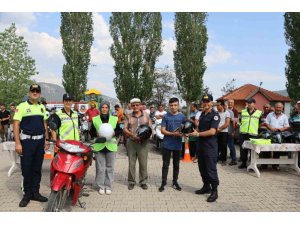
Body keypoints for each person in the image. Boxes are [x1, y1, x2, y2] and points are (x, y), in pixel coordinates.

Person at [13, 84, 50, 207]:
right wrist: (17, 143)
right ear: (29, 92)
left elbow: (44, 123)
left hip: (40, 142)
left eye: (37, 91)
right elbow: (16, 124)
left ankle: (35, 193)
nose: (35, 92)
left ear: (39, 93)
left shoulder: (41, 107)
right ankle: (27, 194)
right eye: (32, 90)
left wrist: (46, 139)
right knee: (27, 168)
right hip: (27, 142)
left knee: (37, 169)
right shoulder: (22, 106)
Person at [189, 94, 220, 202]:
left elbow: (212, 131)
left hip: (210, 147)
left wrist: (198, 134)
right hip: (200, 146)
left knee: (211, 169)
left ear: (211, 103)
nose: (205, 103)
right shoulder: (202, 114)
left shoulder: (215, 115)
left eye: (207, 101)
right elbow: (199, 128)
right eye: (204, 101)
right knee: (202, 168)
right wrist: (195, 131)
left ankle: (214, 191)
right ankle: (206, 187)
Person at [90, 101, 119, 195]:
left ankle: (108, 186)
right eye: (102, 107)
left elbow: (119, 130)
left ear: (108, 108)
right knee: (100, 168)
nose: (104, 109)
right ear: (100, 108)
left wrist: (115, 133)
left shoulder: (114, 119)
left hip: (111, 146)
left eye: (106, 107)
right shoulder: (95, 119)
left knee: (110, 167)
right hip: (99, 146)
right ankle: (101, 186)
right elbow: (91, 132)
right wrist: (96, 134)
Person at [124, 98, 152, 190]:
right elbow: (125, 129)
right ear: (131, 106)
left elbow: (150, 128)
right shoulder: (128, 116)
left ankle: (143, 181)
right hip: (131, 142)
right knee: (131, 163)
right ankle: (131, 182)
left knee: (143, 163)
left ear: (140, 105)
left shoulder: (146, 115)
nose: (135, 107)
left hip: (143, 143)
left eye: (137, 105)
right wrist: (133, 135)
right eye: (133, 105)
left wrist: (147, 136)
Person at [158, 97, 186, 192]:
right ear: (169, 106)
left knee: (176, 165)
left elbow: (185, 130)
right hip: (166, 144)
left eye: (175, 105)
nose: (173, 107)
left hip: (177, 145)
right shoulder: (166, 116)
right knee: (165, 165)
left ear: (178, 106)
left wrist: (183, 133)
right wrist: (173, 133)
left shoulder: (182, 117)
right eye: (171, 105)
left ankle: (175, 182)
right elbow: (162, 130)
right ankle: (163, 183)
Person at [238, 98, 263, 169]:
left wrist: (256, 128)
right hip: (243, 134)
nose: (248, 104)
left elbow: (261, 123)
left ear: (254, 104)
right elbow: (240, 121)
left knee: (252, 150)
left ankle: (252, 164)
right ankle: (243, 163)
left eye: (250, 103)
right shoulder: (243, 112)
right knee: (243, 149)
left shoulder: (259, 112)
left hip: (253, 134)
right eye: (248, 103)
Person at [265, 102, 290, 170]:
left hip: (279, 135)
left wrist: (281, 129)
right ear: (274, 107)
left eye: (280, 107)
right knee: (266, 149)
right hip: (270, 133)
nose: (278, 109)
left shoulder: (284, 116)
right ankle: (264, 164)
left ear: (282, 108)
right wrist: (271, 128)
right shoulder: (270, 115)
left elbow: (287, 126)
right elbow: (266, 123)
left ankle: (275, 165)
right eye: (277, 107)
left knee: (277, 149)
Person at [216, 100, 230, 165]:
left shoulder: (227, 113)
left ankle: (224, 160)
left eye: (218, 105)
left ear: (222, 106)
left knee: (223, 146)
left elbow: (227, 123)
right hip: (216, 132)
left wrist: (220, 129)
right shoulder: (216, 113)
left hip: (224, 132)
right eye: (216, 105)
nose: (217, 106)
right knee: (216, 146)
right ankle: (217, 158)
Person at [226, 99, 238, 165]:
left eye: (231, 103)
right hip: (225, 131)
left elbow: (234, 122)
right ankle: (223, 158)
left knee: (231, 145)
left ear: (233, 104)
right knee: (224, 145)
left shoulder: (235, 111)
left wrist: (233, 131)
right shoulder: (225, 110)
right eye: (229, 102)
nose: (230, 104)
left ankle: (234, 159)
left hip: (231, 130)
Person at [289, 101, 300, 167]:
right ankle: (298, 165)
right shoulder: (292, 116)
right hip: (296, 136)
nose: (299, 107)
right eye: (298, 106)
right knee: (298, 151)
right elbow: (290, 127)